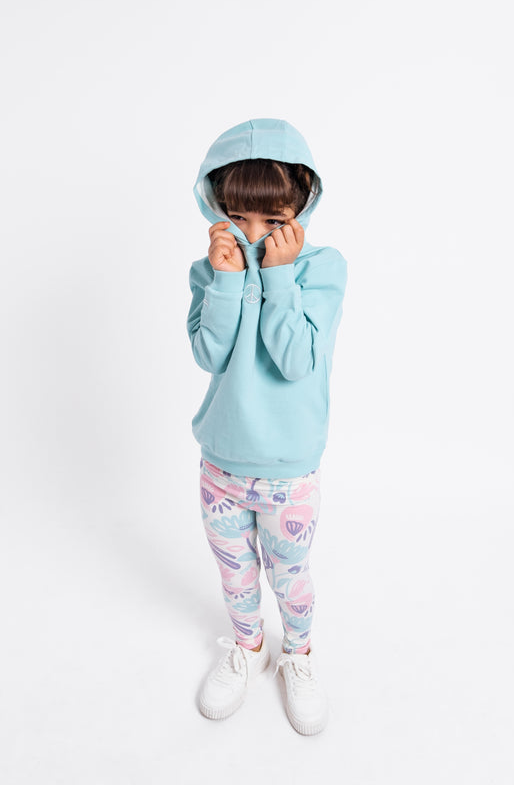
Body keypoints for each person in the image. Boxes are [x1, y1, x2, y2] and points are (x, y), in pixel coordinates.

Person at [187, 118, 347, 735]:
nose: (253, 234)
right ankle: (248, 646)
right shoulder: (210, 268)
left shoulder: (322, 269)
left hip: (288, 469)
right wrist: (227, 280)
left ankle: (297, 655)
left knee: (290, 574)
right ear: (218, 207)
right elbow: (209, 354)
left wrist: (278, 275)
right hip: (221, 462)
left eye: (273, 219)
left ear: (301, 207)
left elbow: (296, 359)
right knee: (235, 574)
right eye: (238, 216)